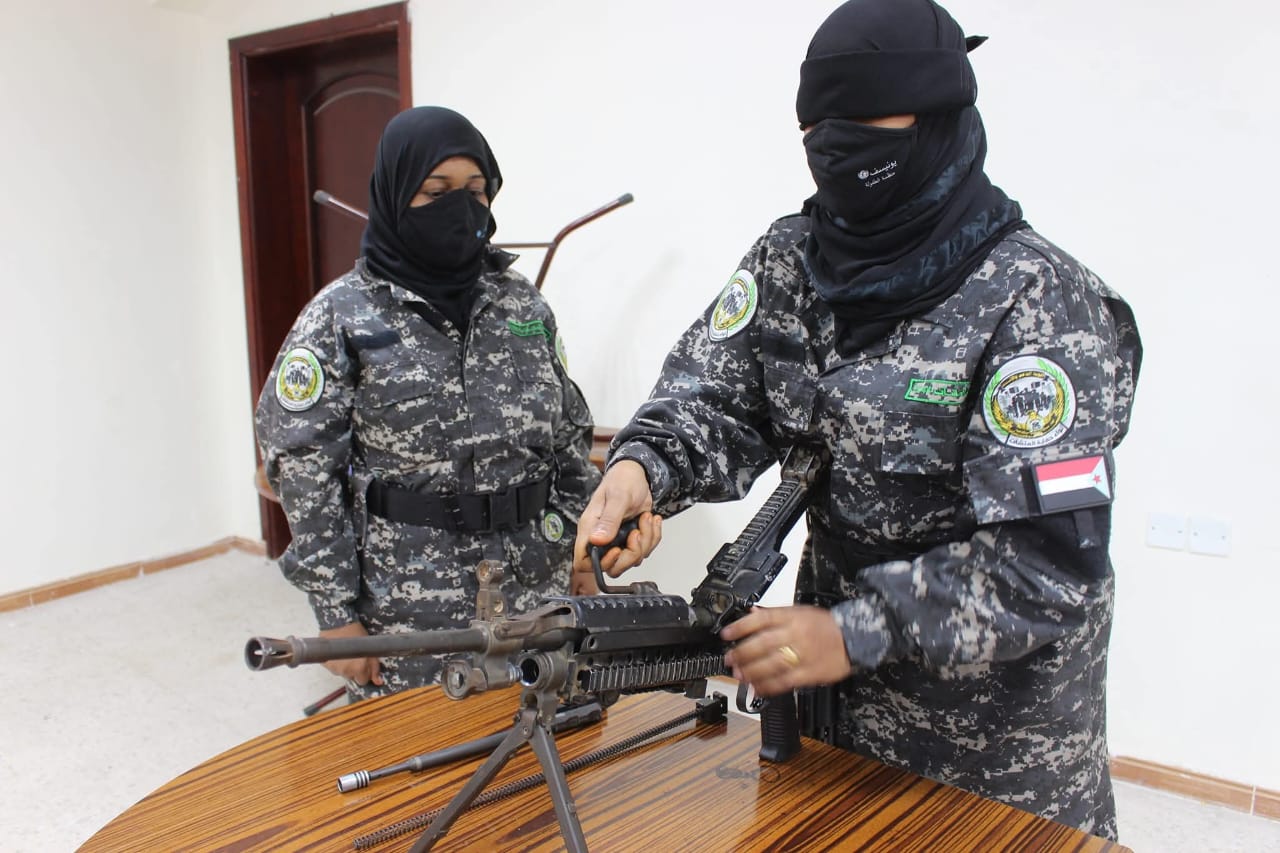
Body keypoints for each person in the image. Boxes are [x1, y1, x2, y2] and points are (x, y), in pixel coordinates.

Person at [572, 0, 1140, 841]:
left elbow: (1047, 568)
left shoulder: (1040, 302)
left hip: (991, 762)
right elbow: (714, 395)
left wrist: (856, 630)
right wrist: (639, 470)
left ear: (939, 118)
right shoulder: (791, 261)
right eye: (817, 132)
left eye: (862, 128)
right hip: (831, 727)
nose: (834, 151)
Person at [257, 106, 601, 700]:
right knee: (417, 752)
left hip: (535, 590)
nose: (460, 207)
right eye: (436, 192)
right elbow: (305, 471)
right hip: (409, 606)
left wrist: (579, 551)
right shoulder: (341, 315)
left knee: (545, 734)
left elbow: (569, 438)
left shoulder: (522, 306)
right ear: (395, 195)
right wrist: (335, 613)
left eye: (476, 190)